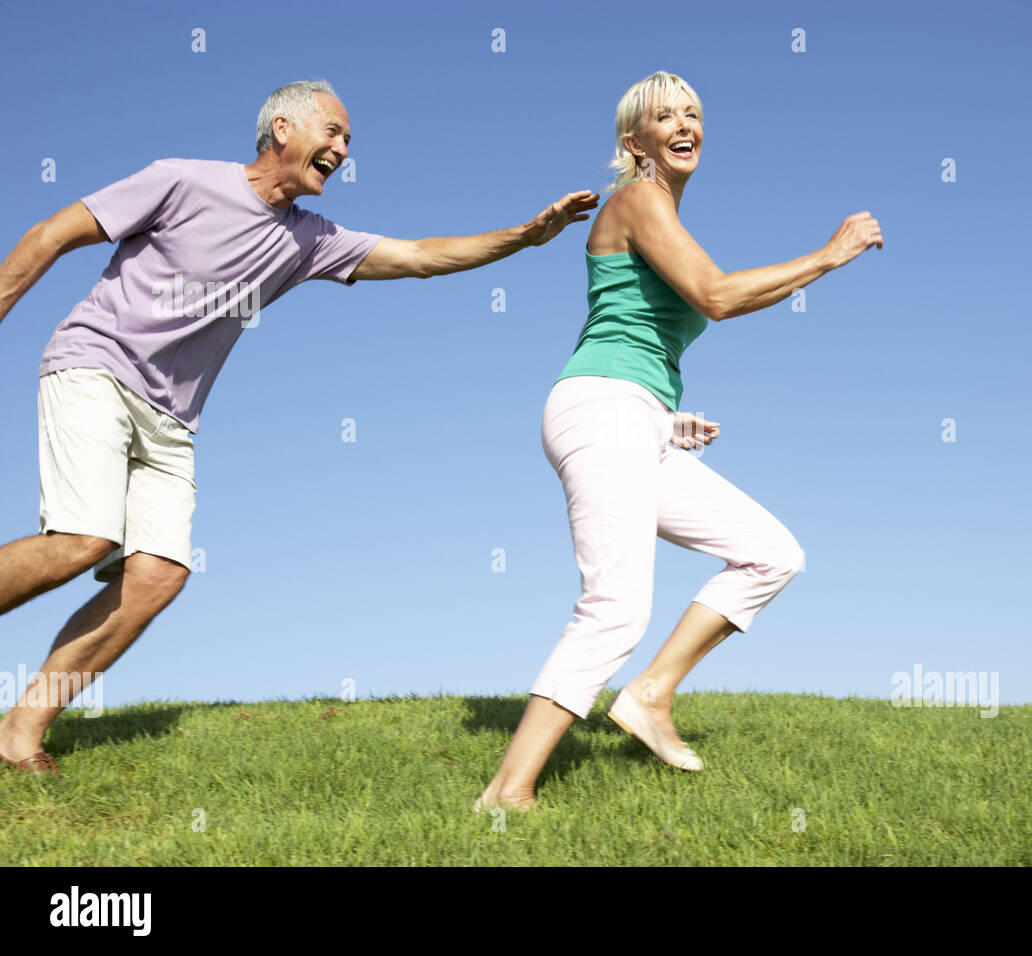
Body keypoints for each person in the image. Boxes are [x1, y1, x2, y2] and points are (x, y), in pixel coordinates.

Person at [0, 79, 597, 776]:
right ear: (282, 128)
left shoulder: (309, 241)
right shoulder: (180, 180)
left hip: (171, 418)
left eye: (348, 142)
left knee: (158, 574)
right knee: (82, 540)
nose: (343, 150)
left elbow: (421, 257)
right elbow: (52, 234)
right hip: (96, 366)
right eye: (334, 133)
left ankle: (20, 732)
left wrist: (527, 237)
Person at [474, 71, 882, 811]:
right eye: (665, 116)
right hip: (601, 410)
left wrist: (664, 417)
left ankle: (650, 696)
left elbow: (642, 330)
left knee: (771, 552)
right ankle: (507, 791)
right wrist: (829, 255)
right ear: (637, 143)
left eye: (693, 112)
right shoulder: (639, 199)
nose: (684, 124)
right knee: (616, 607)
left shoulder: (661, 212)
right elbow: (718, 297)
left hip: (635, 418)